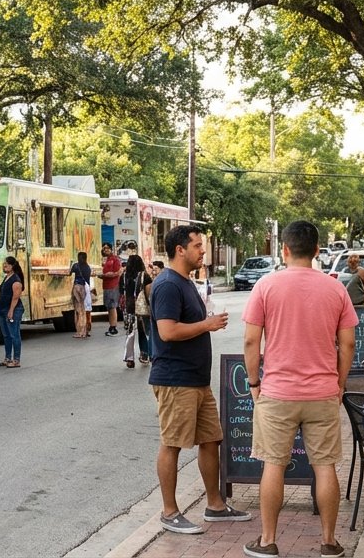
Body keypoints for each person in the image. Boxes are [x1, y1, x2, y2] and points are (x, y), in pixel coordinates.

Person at [242, 220, 355, 558]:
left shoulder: (266, 286)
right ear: (318, 251)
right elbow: (347, 344)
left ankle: (267, 541)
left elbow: (251, 340)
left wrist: (253, 383)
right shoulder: (335, 289)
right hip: (322, 392)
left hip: (276, 391)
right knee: (325, 466)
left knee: (273, 465)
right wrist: (339, 383)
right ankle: (329, 542)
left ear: (285, 250)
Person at [150, 224, 252, 535]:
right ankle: (169, 512)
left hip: (196, 380)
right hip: (175, 379)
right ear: (180, 250)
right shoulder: (168, 284)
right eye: (197, 246)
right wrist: (206, 325)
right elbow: (167, 332)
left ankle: (215, 505)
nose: (202, 251)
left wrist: (206, 324)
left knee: (211, 439)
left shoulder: (186, 283)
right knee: (173, 444)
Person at [0, 256, 25, 368]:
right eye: (4, 264)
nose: (4, 266)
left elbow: (15, 298)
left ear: (12, 266)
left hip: (13, 310)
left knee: (14, 334)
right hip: (2, 310)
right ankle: (7, 358)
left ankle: (16, 359)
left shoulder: (16, 280)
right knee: (6, 335)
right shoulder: (6, 277)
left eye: (7, 264)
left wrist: (11, 310)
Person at [121, 254, 148, 368]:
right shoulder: (144, 276)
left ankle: (129, 358)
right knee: (143, 332)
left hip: (129, 307)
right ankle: (144, 354)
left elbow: (120, 290)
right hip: (141, 307)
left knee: (130, 333)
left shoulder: (124, 276)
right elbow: (149, 291)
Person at [102, 243, 123, 336]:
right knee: (109, 307)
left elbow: (117, 272)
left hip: (113, 286)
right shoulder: (106, 260)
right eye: (104, 248)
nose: (105, 250)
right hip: (106, 285)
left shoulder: (115, 259)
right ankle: (111, 326)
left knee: (113, 306)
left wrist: (107, 275)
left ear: (111, 249)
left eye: (107, 248)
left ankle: (114, 327)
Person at [70, 251, 92, 338]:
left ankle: (79, 332)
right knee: (84, 310)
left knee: (78, 311)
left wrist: (70, 264)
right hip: (85, 288)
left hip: (77, 287)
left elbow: (69, 273)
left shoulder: (76, 265)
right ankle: (85, 331)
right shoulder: (88, 267)